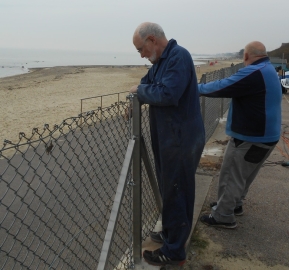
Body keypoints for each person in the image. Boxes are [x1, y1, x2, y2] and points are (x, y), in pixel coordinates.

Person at [130, 22, 205, 266]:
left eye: (141, 49)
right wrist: (141, 89)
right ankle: (172, 234)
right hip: (169, 139)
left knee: (177, 191)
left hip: (182, 139)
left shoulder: (178, 57)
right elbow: (146, 82)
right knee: (170, 189)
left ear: (152, 40)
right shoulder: (160, 63)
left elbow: (167, 94)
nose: (141, 55)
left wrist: (140, 92)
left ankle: (174, 252)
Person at [198, 41, 282, 229]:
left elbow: (222, 86)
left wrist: (196, 89)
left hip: (251, 136)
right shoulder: (268, 69)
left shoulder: (253, 72)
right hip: (268, 135)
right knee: (244, 175)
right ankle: (233, 205)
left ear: (245, 56)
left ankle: (222, 216)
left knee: (231, 175)